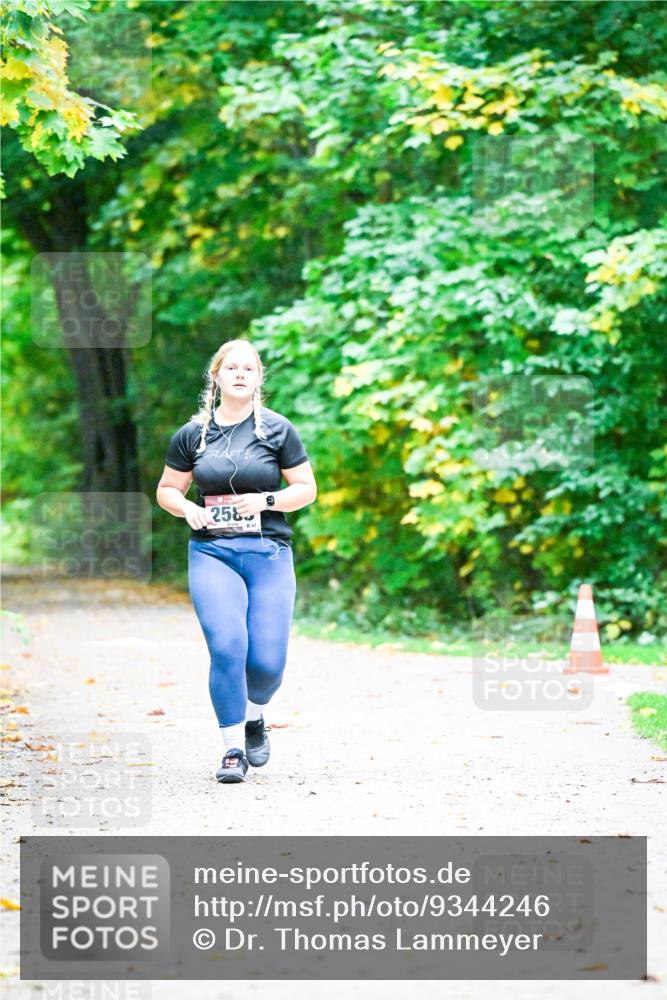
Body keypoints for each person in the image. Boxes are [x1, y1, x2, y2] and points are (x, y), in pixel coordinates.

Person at [156, 339, 317, 783]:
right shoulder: (192, 434)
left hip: (268, 551)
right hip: (212, 552)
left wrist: (264, 499)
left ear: (258, 378)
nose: (240, 374)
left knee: (266, 664)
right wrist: (186, 507)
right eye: (232, 368)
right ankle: (232, 750)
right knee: (228, 647)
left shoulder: (278, 431)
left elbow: (306, 488)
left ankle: (254, 716)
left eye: (249, 368)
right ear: (217, 376)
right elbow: (167, 489)